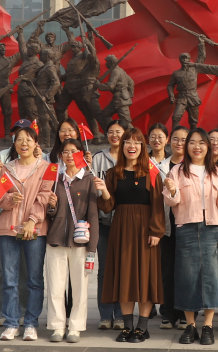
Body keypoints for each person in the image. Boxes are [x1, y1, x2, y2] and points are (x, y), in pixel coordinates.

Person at [94, 126, 165, 342]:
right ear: (122, 145)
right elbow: (108, 206)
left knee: (145, 277)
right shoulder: (113, 173)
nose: (131, 146)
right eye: (128, 142)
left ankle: (142, 327)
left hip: (145, 230)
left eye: (136, 142)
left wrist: (156, 231)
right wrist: (104, 191)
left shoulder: (151, 172)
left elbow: (157, 205)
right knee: (124, 276)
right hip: (121, 229)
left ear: (142, 147)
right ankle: (127, 326)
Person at [162, 127, 218, 346]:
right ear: (186, 146)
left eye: (201, 142)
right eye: (192, 142)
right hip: (186, 228)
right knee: (187, 277)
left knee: (212, 277)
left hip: (211, 228)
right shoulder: (177, 171)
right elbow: (171, 202)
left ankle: (208, 326)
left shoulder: (217, 172)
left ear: (208, 146)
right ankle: (190, 325)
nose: (197, 147)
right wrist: (172, 190)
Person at [0, 124, 51, 341]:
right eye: (19, 139)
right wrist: (10, 199)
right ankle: (11, 323)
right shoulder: (7, 169)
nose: (24, 143)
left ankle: (30, 323)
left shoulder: (47, 168)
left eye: (28, 139)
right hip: (8, 230)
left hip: (35, 230)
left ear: (36, 143)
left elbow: (45, 196)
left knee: (34, 279)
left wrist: (32, 221)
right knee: (9, 279)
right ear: (14, 144)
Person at [43, 138, 100, 342]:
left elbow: (93, 213)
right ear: (60, 155)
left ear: (81, 154)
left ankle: (75, 326)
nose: (69, 155)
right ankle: (57, 326)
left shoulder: (89, 179)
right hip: (56, 238)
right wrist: (51, 206)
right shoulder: (55, 178)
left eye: (73, 151)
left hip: (80, 241)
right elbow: (49, 213)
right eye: (65, 152)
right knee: (56, 287)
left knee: (80, 287)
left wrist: (92, 246)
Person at [91, 121, 125, 329]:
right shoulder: (98, 158)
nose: (114, 135)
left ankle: (121, 314)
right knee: (104, 269)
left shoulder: (130, 157)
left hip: (124, 223)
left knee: (123, 268)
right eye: (110, 132)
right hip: (103, 222)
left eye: (118, 132)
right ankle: (105, 315)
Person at [159, 125, 189, 330]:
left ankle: (186, 312)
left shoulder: (194, 166)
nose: (179, 143)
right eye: (176, 139)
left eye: (184, 139)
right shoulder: (161, 166)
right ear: (170, 141)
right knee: (167, 271)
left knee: (186, 271)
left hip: (187, 225)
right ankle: (168, 312)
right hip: (167, 226)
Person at [146, 123, 170, 329]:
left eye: (160, 136)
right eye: (153, 136)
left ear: (167, 140)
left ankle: (166, 306)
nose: (156, 140)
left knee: (166, 267)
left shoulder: (173, 163)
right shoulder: (142, 162)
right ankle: (149, 304)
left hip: (169, 220)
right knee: (148, 266)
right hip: (147, 221)